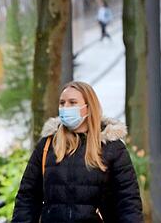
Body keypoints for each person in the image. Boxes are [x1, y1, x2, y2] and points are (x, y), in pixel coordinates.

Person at [12, 81, 142, 223]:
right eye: (62, 103)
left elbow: (128, 202)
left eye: (72, 103)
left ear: (88, 107)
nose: (65, 107)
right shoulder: (47, 145)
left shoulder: (112, 148)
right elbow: (27, 197)